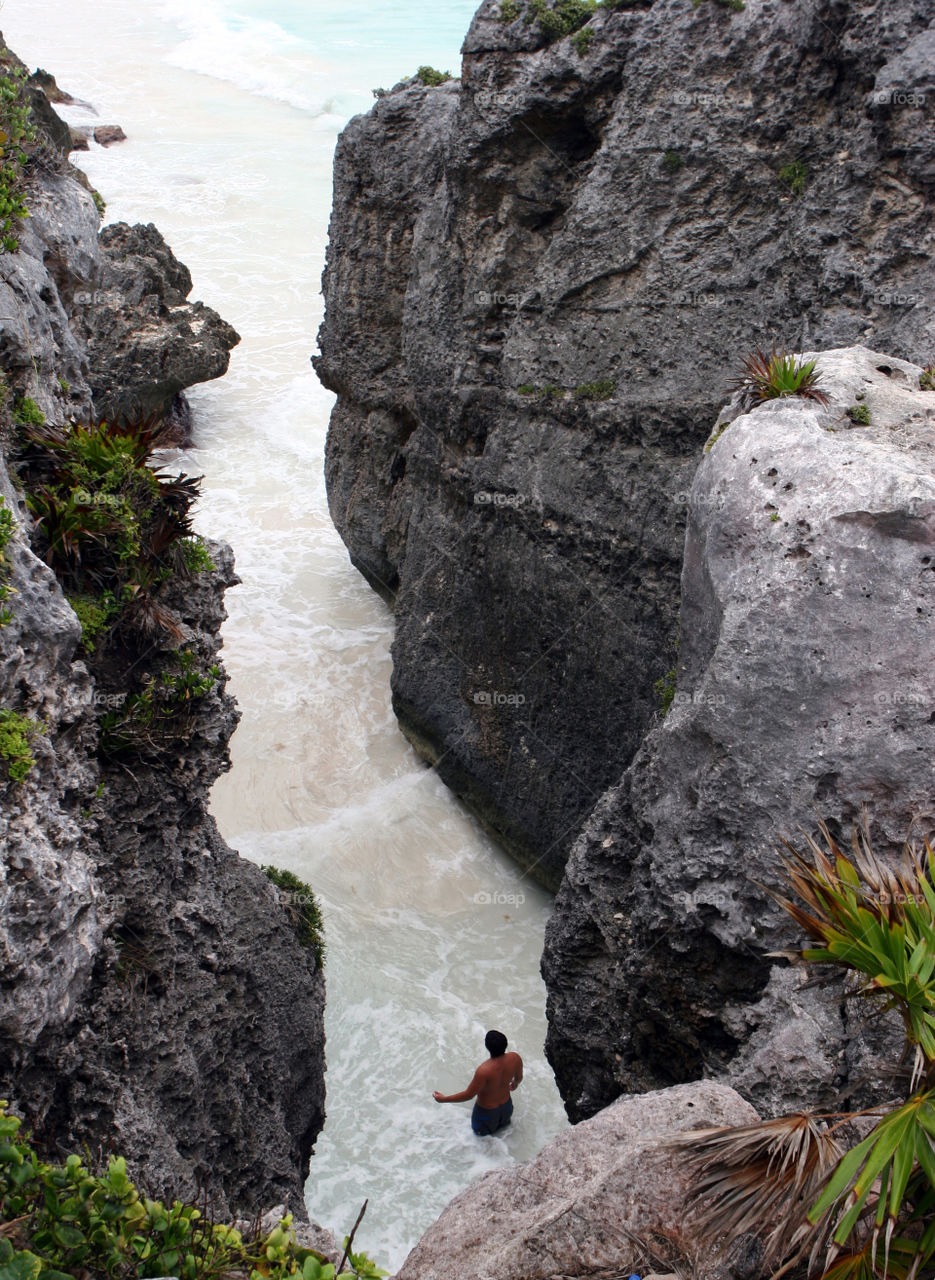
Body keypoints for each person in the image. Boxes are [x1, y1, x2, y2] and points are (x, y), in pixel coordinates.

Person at [432, 1030, 523, 1135]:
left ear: (487, 1046)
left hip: (487, 1113)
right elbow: (518, 1078)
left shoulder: (484, 1070)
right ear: (505, 1044)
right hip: (507, 1107)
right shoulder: (515, 1058)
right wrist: (515, 1084)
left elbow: (468, 1095)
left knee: (482, 1140)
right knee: (504, 1133)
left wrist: (443, 1099)